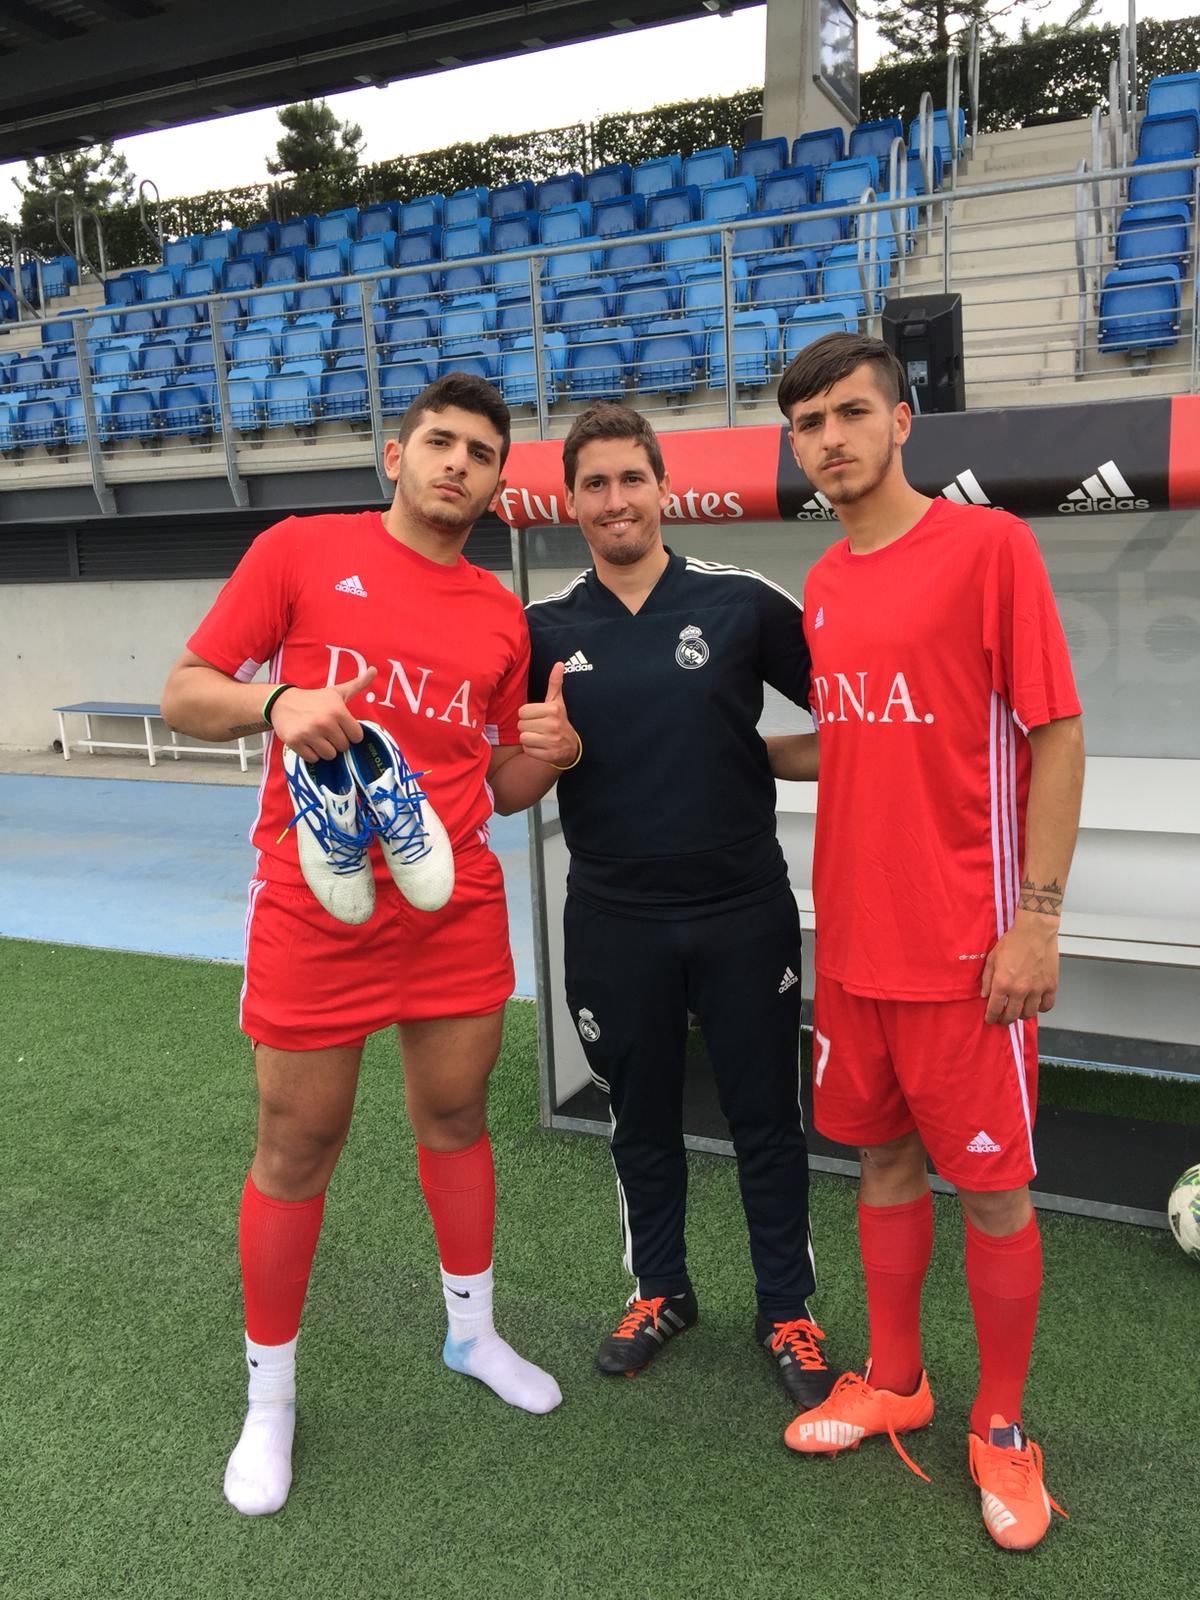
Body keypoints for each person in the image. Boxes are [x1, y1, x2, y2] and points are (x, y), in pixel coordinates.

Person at [160, 373, 578, 1517]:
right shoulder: (299, 551)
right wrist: (275, 703)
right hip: (316, 899)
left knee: (454, 1115)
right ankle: (271, 1398)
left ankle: (473, 1333)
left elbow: (494, 781)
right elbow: (186, 691)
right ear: (395, 456)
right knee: (298, 1144)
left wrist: (551, 754)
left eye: (481, 453)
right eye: (439, 441)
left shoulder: (500, 615)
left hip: (452, 901)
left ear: (497, 482)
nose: (458, 464)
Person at [767, 333, 1084, 1552]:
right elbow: (856, 739)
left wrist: (1036, 919)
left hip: (968, 953)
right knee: (883, 1162)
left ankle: (1001, 1426)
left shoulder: (988, 548)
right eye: (809, 423)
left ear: (902, 421)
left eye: (852, 412)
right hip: (854, 943)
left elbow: (1056, 735)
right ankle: (896, 1379)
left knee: (993, 1193)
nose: (831, 437)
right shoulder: (826, 582)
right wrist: (725, 746)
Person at [515, 401, 836, 1413]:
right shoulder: (542, 630)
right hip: (615, 918)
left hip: (742, 910)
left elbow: (853, 718)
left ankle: (785, 1307)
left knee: (767, 1119)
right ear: (570, 503)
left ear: (664, 486)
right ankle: (660, 1290)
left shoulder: (742, 603)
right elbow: (505, 770)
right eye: (595, 484)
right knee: (639, 1117)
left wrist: (755, 754)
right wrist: (545, 753)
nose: (616, 500)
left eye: (631, 478)